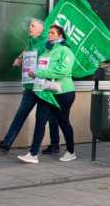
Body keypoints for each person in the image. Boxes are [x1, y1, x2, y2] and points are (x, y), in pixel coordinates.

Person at [0, 18, 60, 155]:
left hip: (41, 85)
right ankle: (6, 143)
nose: (29, 28)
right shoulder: (29, 44)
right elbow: (30, 62)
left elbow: (47, 62)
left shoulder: (46, 44)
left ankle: (54, 144)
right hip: (29, 85)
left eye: (33, 26)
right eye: (29, 25)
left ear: (40, 30)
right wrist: (21, 61)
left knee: (50, 116)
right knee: (20, 115)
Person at [17, 24, 77, 163]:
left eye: (53, 33)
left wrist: (39, 73)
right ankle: (32, 154)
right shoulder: (46, 51)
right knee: (40, 121)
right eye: (49, 33)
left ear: (60, 36)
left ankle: (71, 151)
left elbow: (62, 70)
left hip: (62, 92)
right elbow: (38, 68)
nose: (49, 35)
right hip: (45, 92)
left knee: (63, 122)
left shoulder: (65, 51)